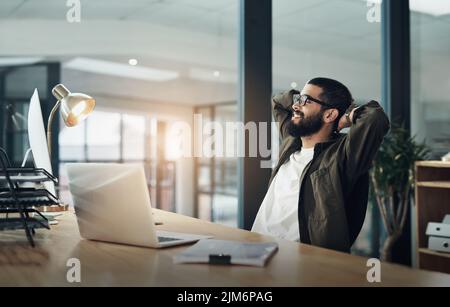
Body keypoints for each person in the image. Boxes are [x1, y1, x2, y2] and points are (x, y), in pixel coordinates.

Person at [252, 77, 390, 253]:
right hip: (257, 249)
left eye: (305, 101)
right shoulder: (291, 142)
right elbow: (278, 101)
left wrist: (346, 118)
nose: (295, 105)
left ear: (329, 114)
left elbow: (375, 118)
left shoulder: (343, 156)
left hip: (302, 263)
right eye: (297, 100)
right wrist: (302, 98)